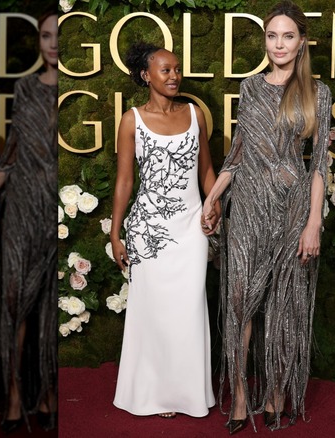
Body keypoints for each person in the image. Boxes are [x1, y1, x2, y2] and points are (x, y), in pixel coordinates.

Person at [201, 1, 332, 434]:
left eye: (287, 36)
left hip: (294, 211)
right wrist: (213, 198)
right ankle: (239, 395)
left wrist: (314, 222)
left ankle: (276, 393)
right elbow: (237, 154)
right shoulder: (250, 87)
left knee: (285, 306)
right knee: (240, 305)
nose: (279, 44)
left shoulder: (318, 92)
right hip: (249, 210)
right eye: (272, 36)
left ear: (301, 41)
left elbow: (319, 166)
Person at [110, 41, 219, 419]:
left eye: (176, 69)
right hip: (148, 231)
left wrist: (214, 201)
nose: (174, 76)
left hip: (190, 228)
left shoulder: (193, 114)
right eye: (165, 70)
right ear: (146, 75)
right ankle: (154, 393)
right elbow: (125, 182)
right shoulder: (131, 120)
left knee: (188, 310)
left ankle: (186, 393)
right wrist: (115, 233)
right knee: (154, 313)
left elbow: (206, 169)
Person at [0, 10, 58, 433]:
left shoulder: (75, 90)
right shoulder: (25, 88)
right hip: (21, 208)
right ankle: (11, 396)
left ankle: (46, 393)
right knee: (14, 305)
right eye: (45, 35)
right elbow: (10, 155)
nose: (52, 44)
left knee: (47, 305)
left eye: (59, 36)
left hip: (55, 211)